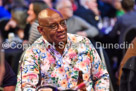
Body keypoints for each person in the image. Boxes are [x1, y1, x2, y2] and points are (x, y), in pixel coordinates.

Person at [16, 8, 109, 91]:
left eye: (63, 23)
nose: (61, 29)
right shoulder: (33, 53)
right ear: (41, 30)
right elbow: (25, 87)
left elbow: (101, 76)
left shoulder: (83, 43)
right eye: (53, 26)